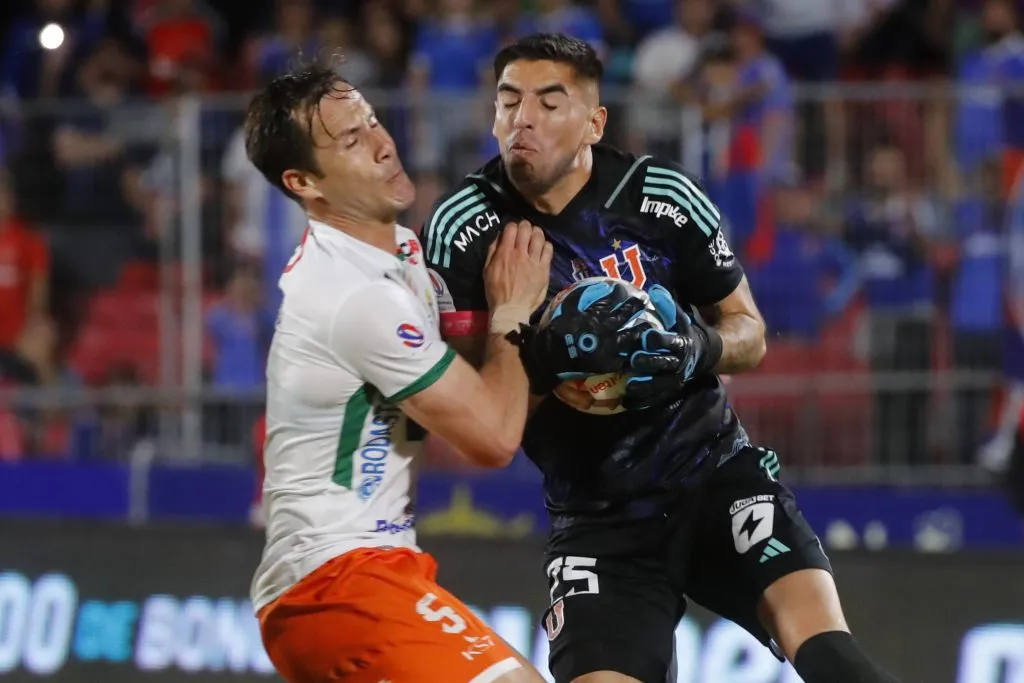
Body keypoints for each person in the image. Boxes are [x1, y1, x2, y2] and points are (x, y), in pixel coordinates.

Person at [422, 34, 903, 683]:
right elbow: (474, 414)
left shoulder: (661, 197)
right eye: (508, 103)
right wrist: (544, 355)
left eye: (547, 103)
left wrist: (693, 349)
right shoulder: (464, 230)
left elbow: (749, 331)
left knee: (829, 654)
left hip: (715, 475)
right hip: (597, 521)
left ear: (594, 121)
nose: (522, 120)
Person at [242, 56, 650, 683]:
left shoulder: (402, 253)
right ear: (304, 183)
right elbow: (490, 437)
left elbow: (479, 387)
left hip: (366, 572)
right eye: (352, 140)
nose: (382, 144)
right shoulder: (356, 295)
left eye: (373, 122)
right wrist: (515, 311)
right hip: (334, 583)